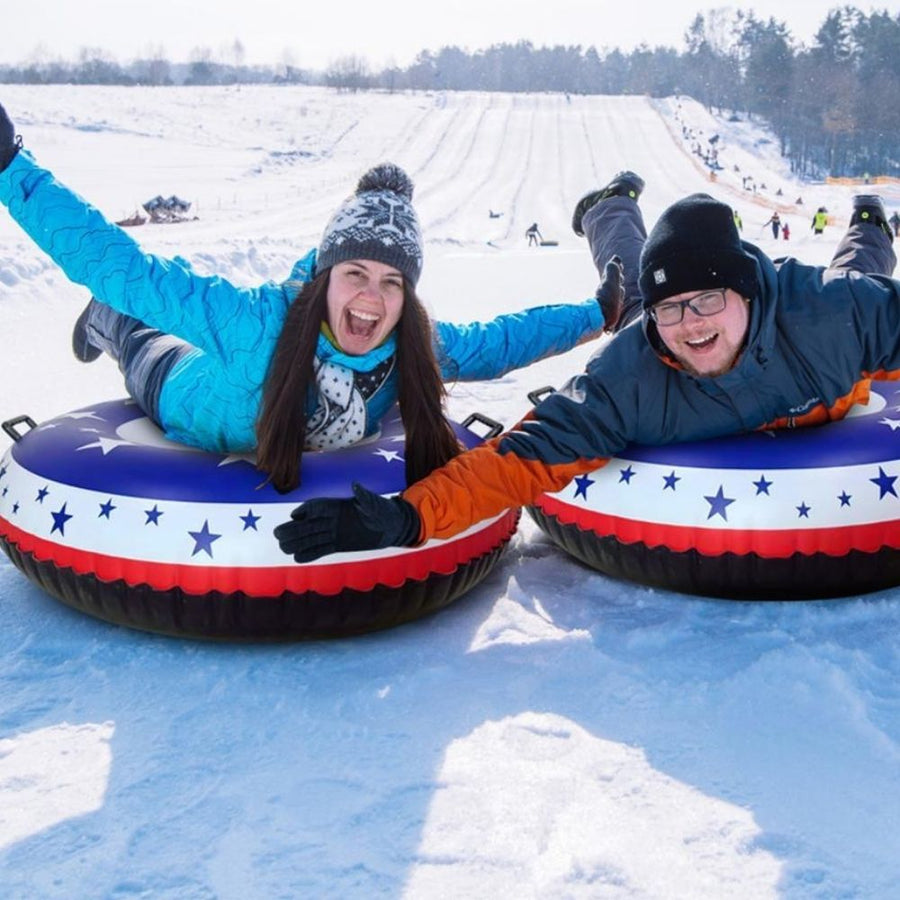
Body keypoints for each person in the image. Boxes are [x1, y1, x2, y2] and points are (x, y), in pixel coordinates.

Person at [274, 170, 899, 565]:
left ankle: (871, 218)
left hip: (837, 343)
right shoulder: (631, 374)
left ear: (745, 293)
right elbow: (522, 458)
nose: (692, 325)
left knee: (864, 272)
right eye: (675, 310)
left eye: (708, 300)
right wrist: (410, 517)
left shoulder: (829, 317)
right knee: (631, 295)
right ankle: (610, 208)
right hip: (647, 343)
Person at [0, 102, 622, 493]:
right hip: (178, 389)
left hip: (228, 382)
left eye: (392, 281)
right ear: (326, 276)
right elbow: (120, 265)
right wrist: (11, 167)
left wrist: (597, 313)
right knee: (134, 320)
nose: (371, 299)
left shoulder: (414, 345)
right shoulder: (259, 323)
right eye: (355, 273)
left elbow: (502, 340)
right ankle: (108, 324)